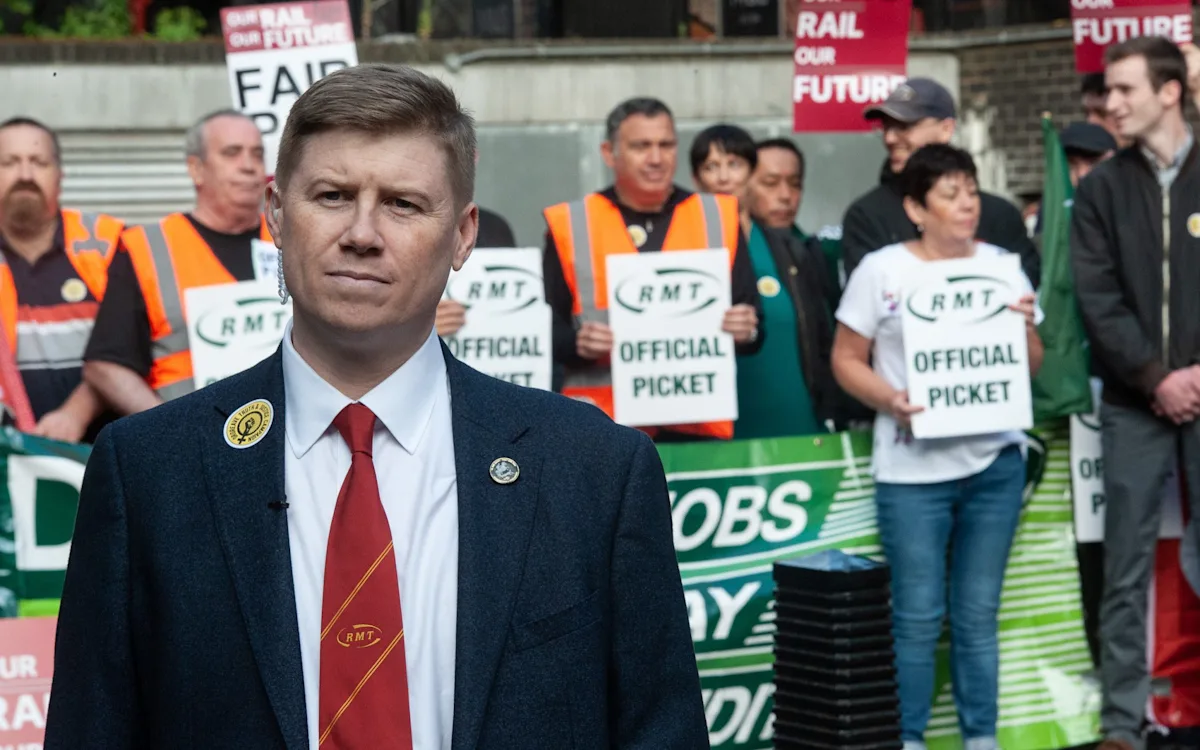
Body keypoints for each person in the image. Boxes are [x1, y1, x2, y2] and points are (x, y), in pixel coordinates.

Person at [44, 63, 707, 749]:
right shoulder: (148, 472)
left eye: (403, 203)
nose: (362, 232)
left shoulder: (595, 470)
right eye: (331, 195)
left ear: (462, 235)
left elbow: (661, 730)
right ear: (275, 215)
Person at [831, 144, 1043, 750]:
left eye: (971, 191)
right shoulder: (882, 270)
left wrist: (1024, 325)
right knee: (917, 618)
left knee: (977, 617)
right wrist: (891, 398)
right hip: (913, 471)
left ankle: (982, 738)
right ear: (915, 208)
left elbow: (1030, 366)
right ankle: (910, 738)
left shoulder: (1004, 265)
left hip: (993, 466)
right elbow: (846, 360)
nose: (967, 204)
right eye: (950, 194)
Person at [1069, 36, 1200, 750]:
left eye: (1123, 90)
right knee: (1124, 565)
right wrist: (1158, 377)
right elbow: (1098, 297)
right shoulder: (1100, 189)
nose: (1110, 104)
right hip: (1132, 403)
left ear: (1170, 91)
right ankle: (1122, 724)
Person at [542, 97, 764, 442]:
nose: (657, 158)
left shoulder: (718, 216)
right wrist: (576, 343)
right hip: (602, 427)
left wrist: (746, 328)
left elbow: (755, 325)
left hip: (697, 425)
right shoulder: (571, 223)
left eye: (666, 145)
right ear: (608, 152)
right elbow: (542, 331)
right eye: (641, 146)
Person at [82, 108, 271, 413]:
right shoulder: (148, 248)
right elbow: (105, 367)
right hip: (195, 445)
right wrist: (168, 430)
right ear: (196, 169)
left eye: (257, 154)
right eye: (232, 153)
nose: (249, 166)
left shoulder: (292, 239)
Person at [841, 77, 1040, 288]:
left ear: (946, 129)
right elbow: (865, 300)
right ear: (914, 209)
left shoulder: (999, 215)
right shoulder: (867, 216)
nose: (889, 138)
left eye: (904, 126)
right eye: (886, 127)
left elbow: (1024, 287)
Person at [0, 117, 122, 443]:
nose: (25, 175)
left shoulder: (110, 243)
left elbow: (130, 349)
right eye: (9, 162)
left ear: (60, 178)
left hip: (102, 453)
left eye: (38, 162)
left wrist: (76, 412)